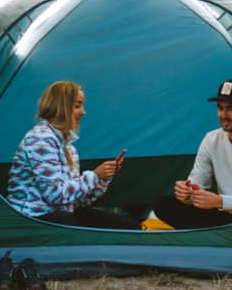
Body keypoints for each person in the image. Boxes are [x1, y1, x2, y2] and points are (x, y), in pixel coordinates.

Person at [7, 80, 140, 229]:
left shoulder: (69, 149)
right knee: (74, 225)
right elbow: (55, 195)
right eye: (77, 106)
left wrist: (102, 179)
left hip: (60, 214)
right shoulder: (40, 139)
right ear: (61, 107)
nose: (83, 112)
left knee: (129, 226)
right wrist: (94, 175)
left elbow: (75, 202)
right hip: (33, 218)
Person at [152, 79, 232, 229]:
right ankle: (220, 234)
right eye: (220, 108)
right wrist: (187, 193)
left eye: (231, 109)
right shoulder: (211, 139)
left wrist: (221, 201)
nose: (224, 115)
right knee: (164, 204)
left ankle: (215, 235)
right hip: (222, 214)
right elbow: (197, 184)